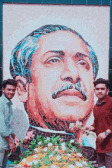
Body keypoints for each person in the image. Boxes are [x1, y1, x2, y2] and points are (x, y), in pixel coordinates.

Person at [9, 24, 98, 159]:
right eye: (54, 60)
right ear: (22, 88)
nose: (73, 74)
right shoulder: (16, 165)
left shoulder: (99, 162)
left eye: (82, 63)